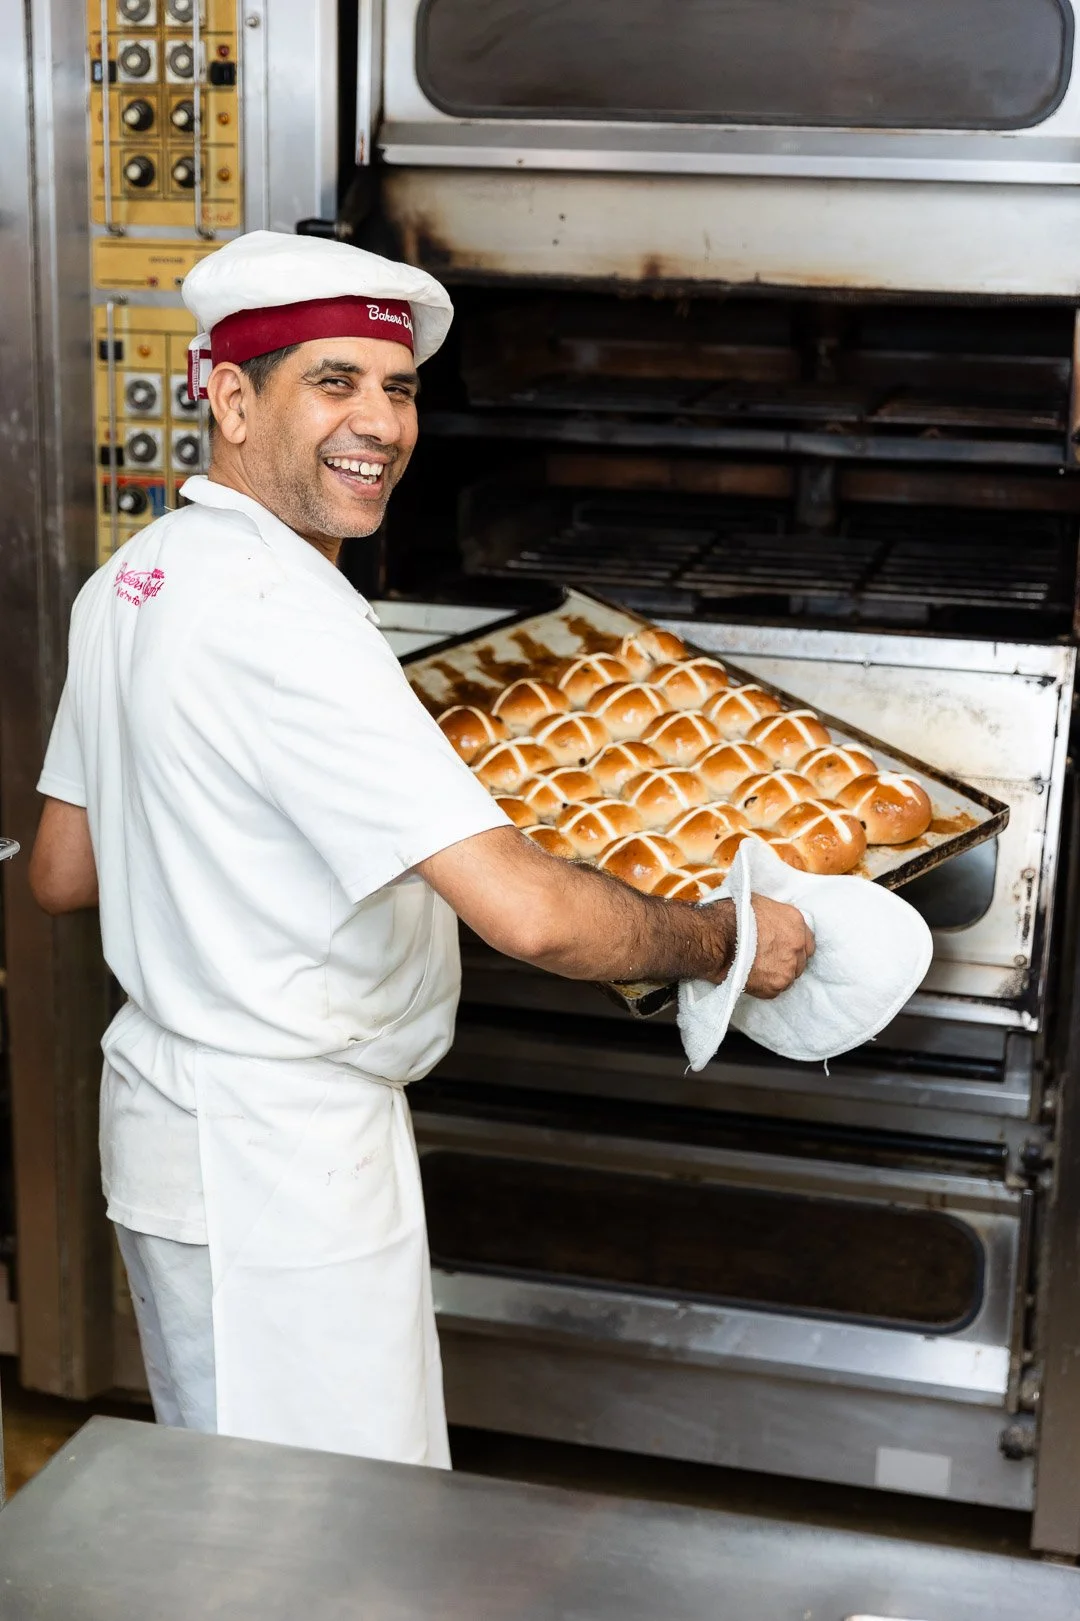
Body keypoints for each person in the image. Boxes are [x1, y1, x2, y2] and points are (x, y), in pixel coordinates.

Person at [28, 230, 814, 1467]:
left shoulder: (133, 579)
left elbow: (62, 872)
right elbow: (534, 918)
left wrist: (215, 826)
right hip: (282, 1160)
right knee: (333, 1551)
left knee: (230, 1515)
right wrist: (727, 938)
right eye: (332, 382)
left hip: (176, 1129)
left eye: (397, 389)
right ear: (230, 397)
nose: (381, 423)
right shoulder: (294, 621)